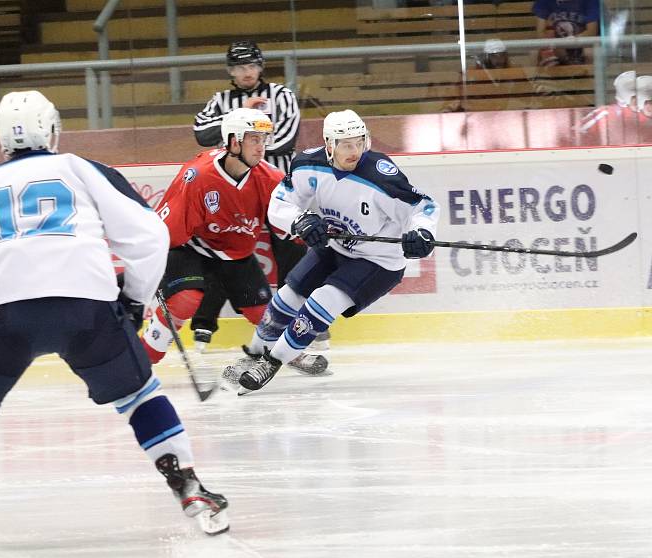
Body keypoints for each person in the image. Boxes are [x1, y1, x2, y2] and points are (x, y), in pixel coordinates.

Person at [0, 91, 228, 557]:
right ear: (52, 131)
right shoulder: (80, 169)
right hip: (87, 310)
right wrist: (133, 300)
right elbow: (149, 235)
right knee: (139, 396)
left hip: (6, 317)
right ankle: (188, 485)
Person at [234, 109, 440, 393]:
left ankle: (272, 361)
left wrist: (422, 233)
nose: (355, 151)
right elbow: (280, 203)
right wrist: (301, 221)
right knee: (287, 296)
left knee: (323, 299)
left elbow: (423, 206)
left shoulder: (380, 174)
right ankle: (254, 353)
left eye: (359, 142)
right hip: (336, 247)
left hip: (377, 261)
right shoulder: (308, 165)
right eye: (346, 144)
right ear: (329, 145)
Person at [140, 107, 324, 375]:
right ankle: (144, 357)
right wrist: (153, 256)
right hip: (193, 250)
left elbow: (286, 215)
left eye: (263, 140)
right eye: (254, 140)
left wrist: (305, 226)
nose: (262, 148)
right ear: (234, 141)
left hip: (237, 255)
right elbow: (167, 225)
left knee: (266, 314)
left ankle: (287, 352)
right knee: (185, 299)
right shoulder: (198, 176)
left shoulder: (269, 178)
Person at [191, 40, 313, 351]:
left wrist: (240, 141)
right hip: (235, 190)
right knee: (226, 249)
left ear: (260, 67)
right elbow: (200, 133)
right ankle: (204, 323)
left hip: (278, 187)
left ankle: (297, 320)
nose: (247, 72)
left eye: (251, 66)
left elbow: (286, 139)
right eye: (239, 67)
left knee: (291, 253)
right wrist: (238, 116)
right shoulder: (222, 100)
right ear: (231, 71)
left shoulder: (282, 95)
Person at [533, 0, 599, 66]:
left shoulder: (591, 1)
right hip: (557, 46)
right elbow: (540, 35)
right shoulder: (544, 1)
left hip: (582, 45)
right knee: (534, 53)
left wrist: (569, 42)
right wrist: (557, 46)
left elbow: (591, 33)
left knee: (589, 52)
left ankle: (585, 74)